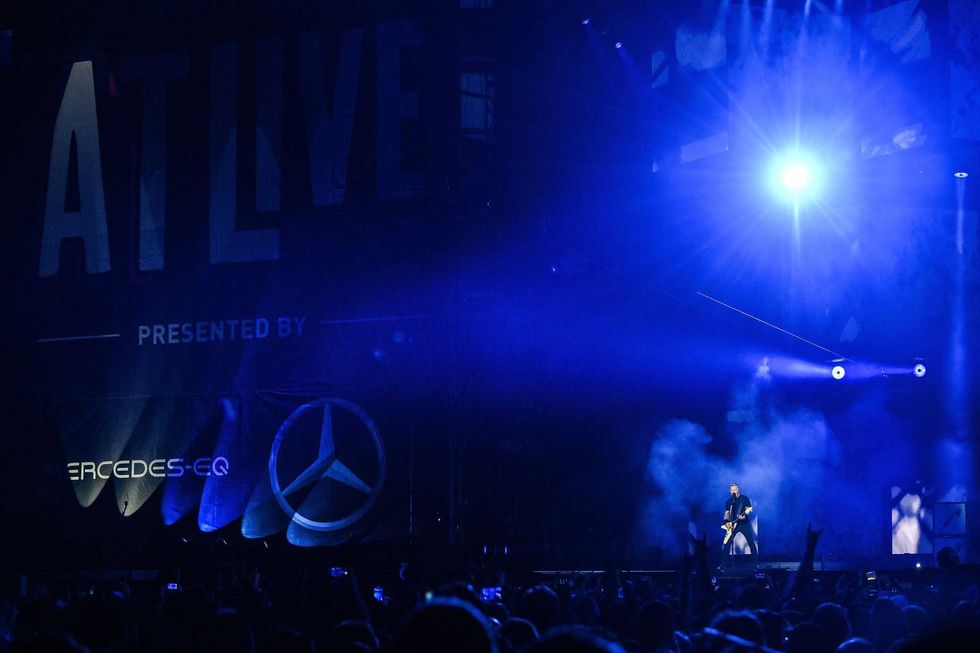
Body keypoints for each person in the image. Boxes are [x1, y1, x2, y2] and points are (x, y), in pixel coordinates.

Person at [722, 483, 758, 566]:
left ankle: (756, 564)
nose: (734, 491)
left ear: (738, 489)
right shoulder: (728, 501)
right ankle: (723, 565)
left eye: (735, 489)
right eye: (732, 490)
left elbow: (748, 510)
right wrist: (726, 522)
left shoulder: (745, 499)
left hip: (744, 524)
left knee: (751, 543)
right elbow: (727, 513)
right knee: (726, 544)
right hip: (732, 525)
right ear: (730, 491)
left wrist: (744, 516)